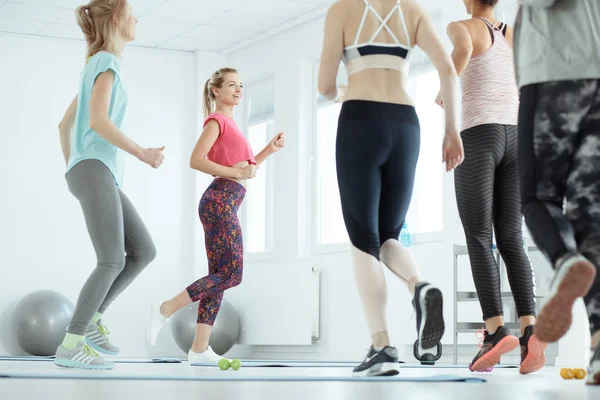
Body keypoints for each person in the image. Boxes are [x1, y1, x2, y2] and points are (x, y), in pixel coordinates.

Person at [318, 0, 463, 377]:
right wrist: (452, 131)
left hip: (360, 121)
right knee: (388, 236)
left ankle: (382, 346)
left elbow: (325, 84)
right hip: (406, 124)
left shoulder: (342, 9)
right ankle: (420, 285)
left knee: (362, 239)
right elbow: (448, 68)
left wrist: (340, 93)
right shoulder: (413, 11)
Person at [146, 68, 285, 364]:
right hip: (219, 201)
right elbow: (196, 160)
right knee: (232, 274)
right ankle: (166, 308)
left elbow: (245, 167)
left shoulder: (232, 124)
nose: (238, 89)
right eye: (232, 85)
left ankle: (199, 349)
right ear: (216, 91)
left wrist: (267, 151)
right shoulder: (216, 121)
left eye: (241, 85)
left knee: (219, 277)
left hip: (226, 201)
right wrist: (237, 172)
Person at [55, 0, 164, 370]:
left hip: (94, 170)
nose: (136, 18)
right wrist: (141, 153)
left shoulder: (94, 65)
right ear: (117, 19)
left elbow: (64, 125)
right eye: (132, 12)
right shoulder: (107, 62)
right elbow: (98, 121)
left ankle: (96, 317)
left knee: (143, 251)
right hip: (95, 168)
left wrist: (74, 165)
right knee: (111, 260)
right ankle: (71, 343)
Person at [439, 0, 544, 374]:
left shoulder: (461, 26)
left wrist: (445, 91)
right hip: (516, 137)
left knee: (480, 236)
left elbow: (464, 53)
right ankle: (531, 330)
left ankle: (496, 330)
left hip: (479, 135)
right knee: (512, 238)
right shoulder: (512, 34)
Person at [514, 0, 600, 385]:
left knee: (538, 197)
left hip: (553, 70)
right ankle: (599, 347)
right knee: (589, 213)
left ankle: (564, 260)